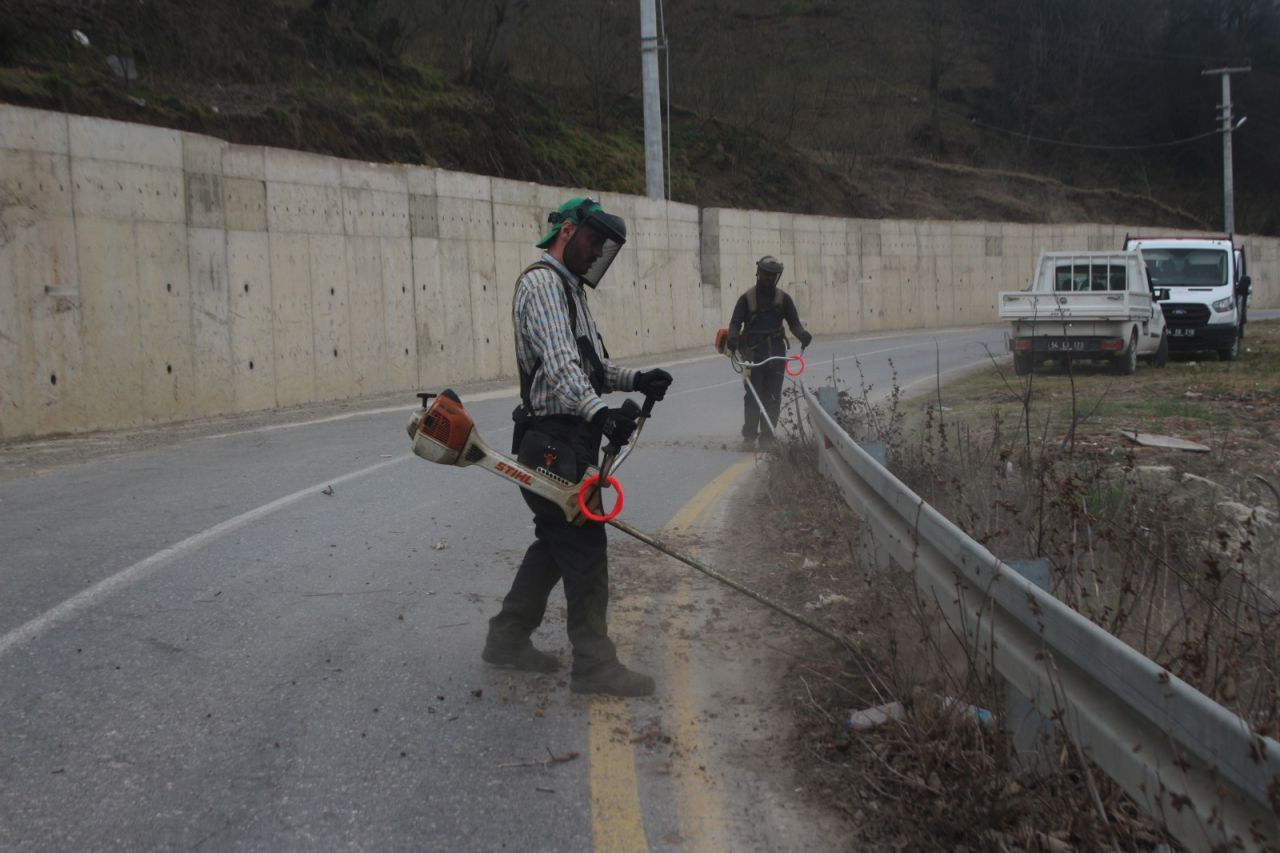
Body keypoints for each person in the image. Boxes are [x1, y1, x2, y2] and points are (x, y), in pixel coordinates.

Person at [482, 197, 673, 697]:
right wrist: (599, 413)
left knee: (555, 543)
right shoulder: (543, 285)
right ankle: (594, 665)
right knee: (585, 548)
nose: (596, 253)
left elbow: (590, 367)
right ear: (566, 231)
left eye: (603, 247)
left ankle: (507, 638)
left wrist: (636, 379)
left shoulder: (569, 291)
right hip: (554, 442)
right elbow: (562, 367)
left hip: (565, 440)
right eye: (592, 241)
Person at [725, 255, 812, 449]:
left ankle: (767, 437)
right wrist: (732, 338)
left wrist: (802, 335)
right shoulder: (746, 299)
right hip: (752, 355)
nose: (770, 278)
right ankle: (749, 436)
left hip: (776, 355)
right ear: (759, 273)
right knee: (753, 396)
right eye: (766, 274)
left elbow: (794, 324)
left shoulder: (784, 299)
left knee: (773, 397)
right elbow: (735, 323)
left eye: (774, 275)